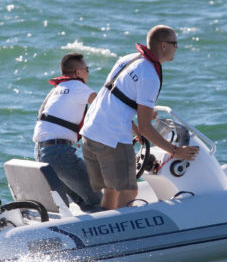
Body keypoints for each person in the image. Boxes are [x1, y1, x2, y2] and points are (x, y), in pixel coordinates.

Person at [81, 25, 199, 210]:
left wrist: (136, 127)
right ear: (163, 45)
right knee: (128, 192)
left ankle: (105, 222)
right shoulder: (150, 75)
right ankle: (121, 227)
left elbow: (116, 99)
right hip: (111, 138)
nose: (177, 47)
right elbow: (146, 127)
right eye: (174, 43)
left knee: (112, 190)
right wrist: (175, 151)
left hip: (90, 131)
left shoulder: (128, 59)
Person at [32, 53, 101, 211]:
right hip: (59, 154)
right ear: (78, 72)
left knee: (84, 201)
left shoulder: (57, 90)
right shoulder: (77, 86)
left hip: (42, 153)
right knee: (98, 198)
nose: (88, 73)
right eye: (87, 69)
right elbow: (105, 105)